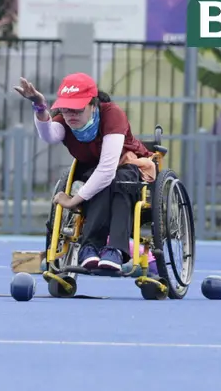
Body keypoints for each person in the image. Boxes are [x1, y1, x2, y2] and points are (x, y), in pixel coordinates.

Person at [14, 72, 156, 274]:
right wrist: (39, 105)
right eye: (65, 109)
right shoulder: (65, 120)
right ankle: (89, 248)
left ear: (93, 104)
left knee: (118, 181)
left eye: (77, 110)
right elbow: (49, 135)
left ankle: (115, 250)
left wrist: (73, 201)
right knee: (93, 180)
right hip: (95, 173)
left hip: (129, 168)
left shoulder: (112, 114)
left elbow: (108, 169)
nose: (70, 115)